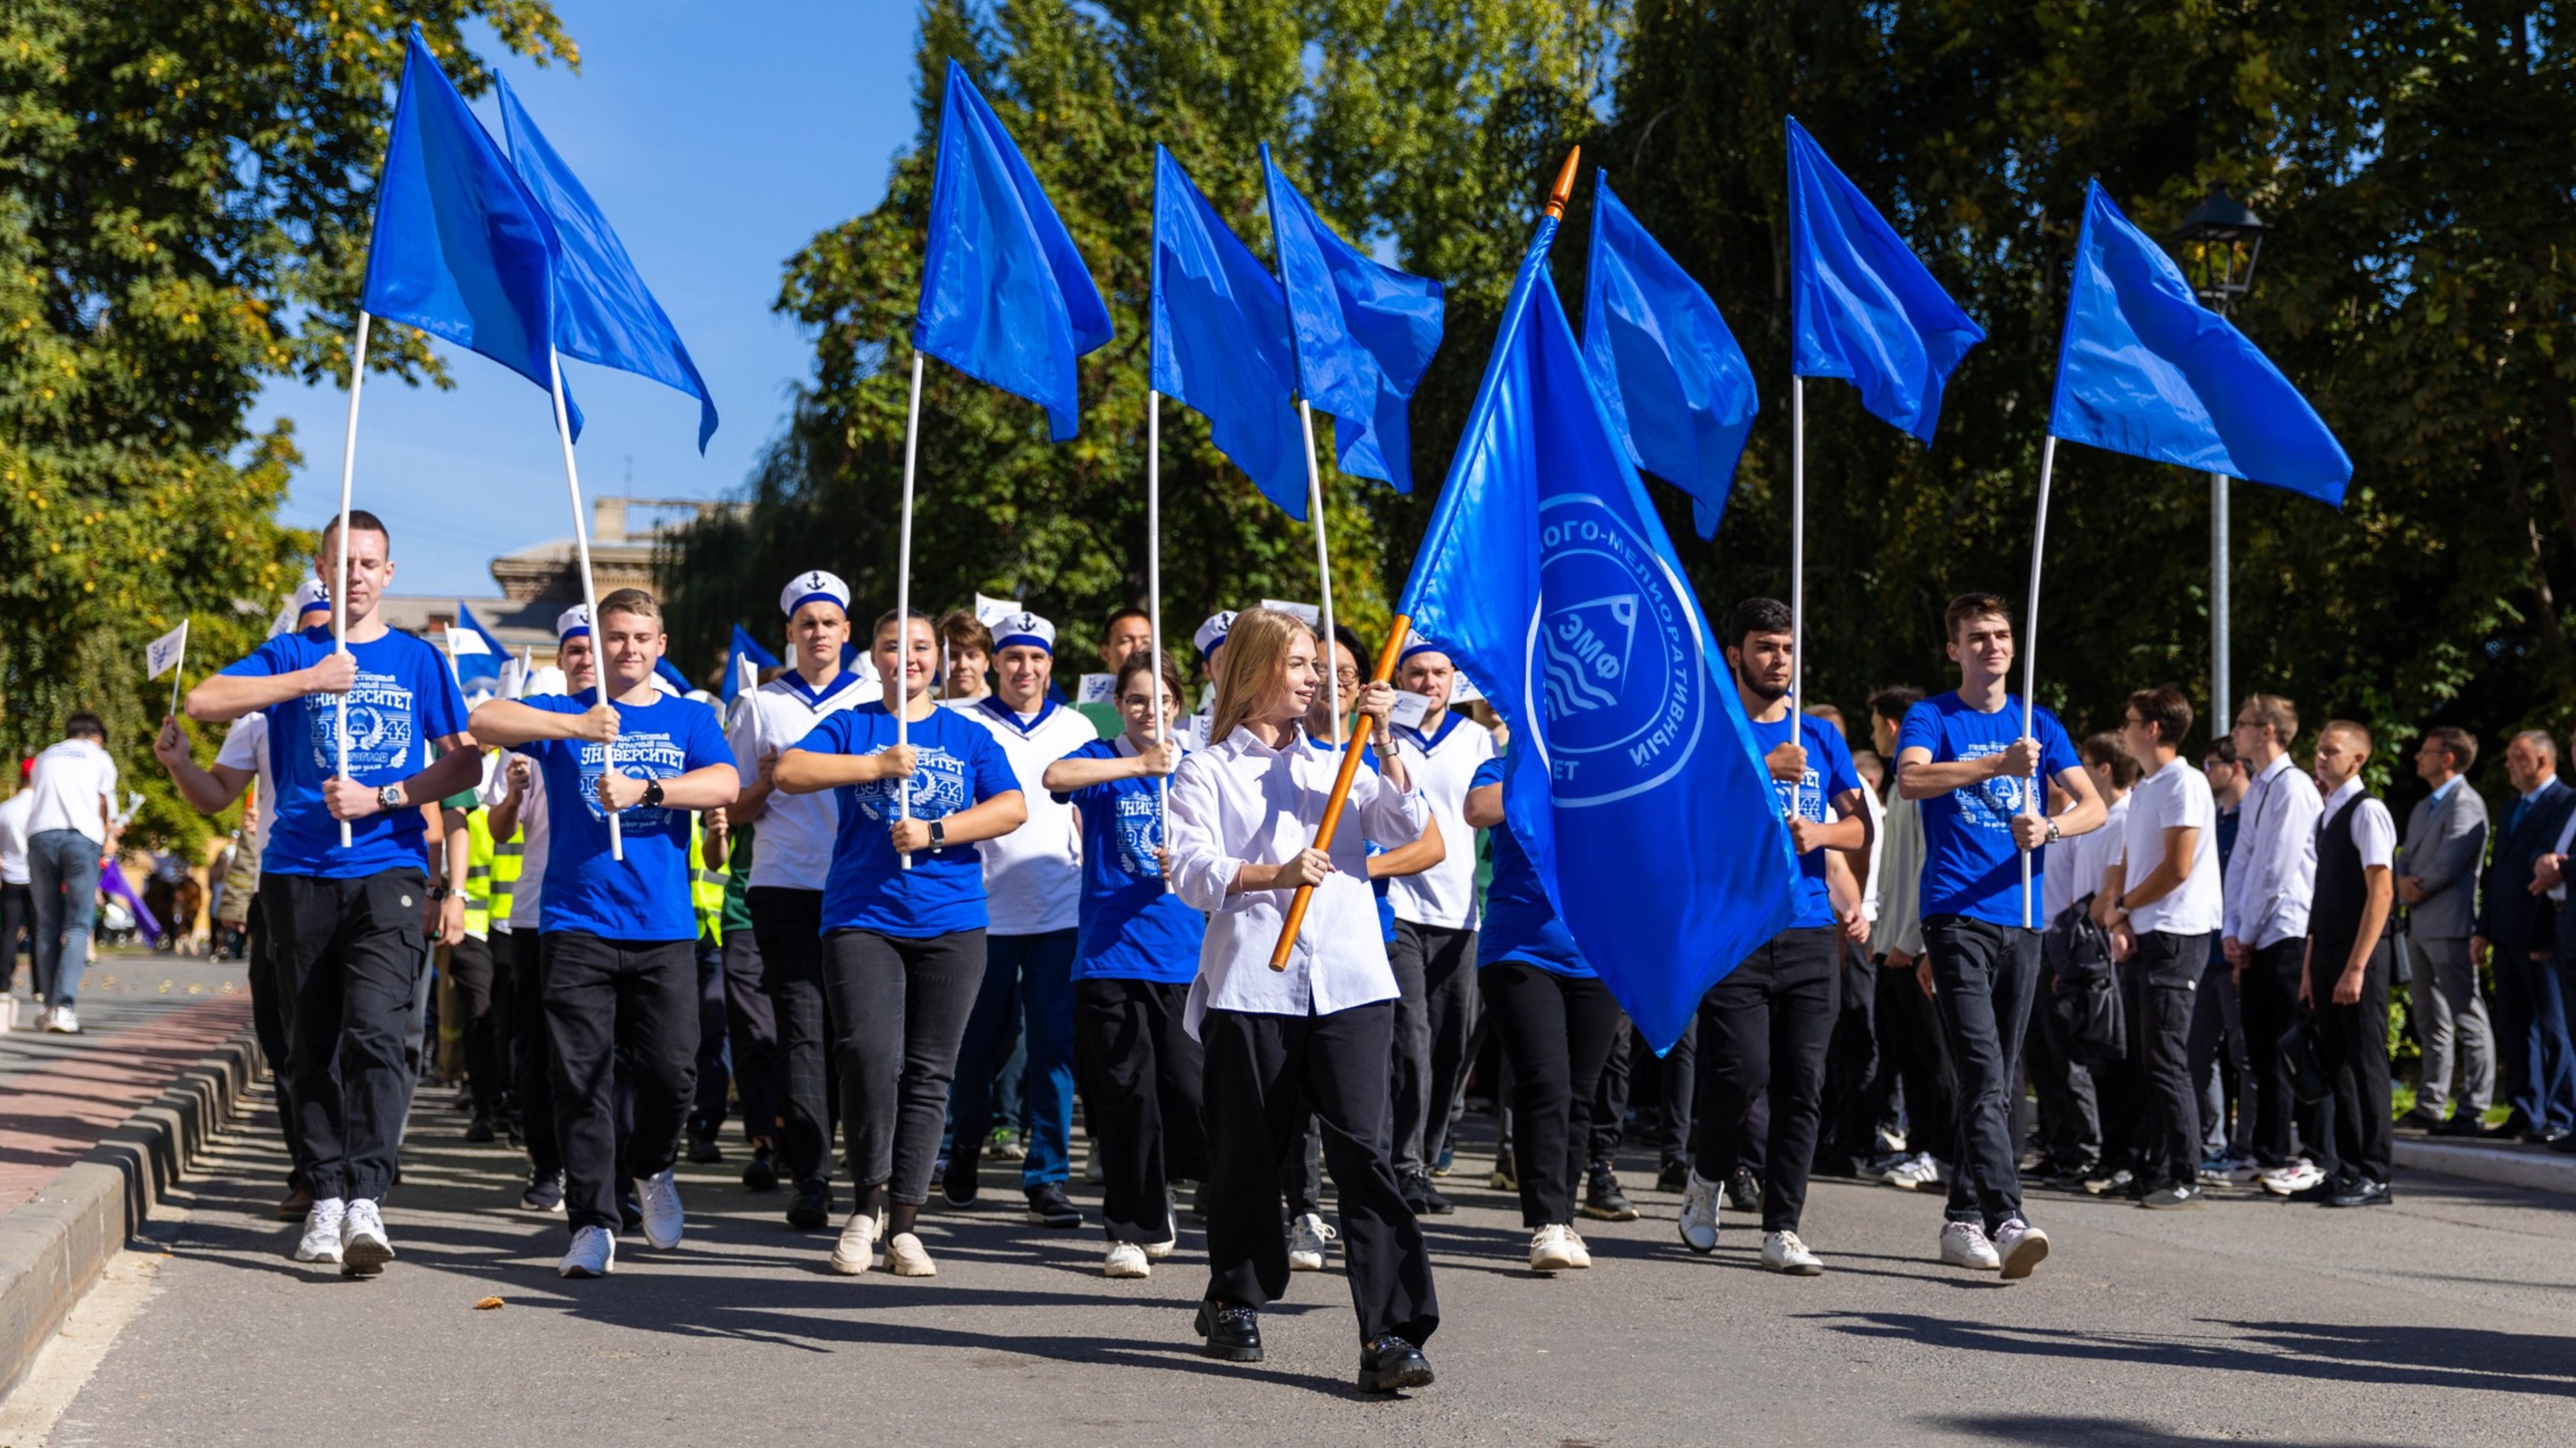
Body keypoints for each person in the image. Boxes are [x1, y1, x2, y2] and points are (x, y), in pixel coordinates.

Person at [186, 510, 479, 1275]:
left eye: (369, 562)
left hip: (387, 867)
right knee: (307, 1042)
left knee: (380, 1033)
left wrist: (387, 798)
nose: (354, 574)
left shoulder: (418, 661)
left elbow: (463, 768)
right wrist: (309, 680)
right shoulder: (291, 652)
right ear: (321, 569)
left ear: (389, 574)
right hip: (299, 873)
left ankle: (366, 1198)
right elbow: (205, 701)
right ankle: (322, 1195)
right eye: (341, 561)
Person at [1165, 607, 1438, 1392]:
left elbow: (1406, 825)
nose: (1316, 677)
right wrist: (1272, 875)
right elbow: (1189, 872)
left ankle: (1390, 1333)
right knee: (1250, 1153)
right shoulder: (1206, 768)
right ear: (1252, 672)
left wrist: (1386, 743)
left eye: (1318, 665)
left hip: (1351, 980)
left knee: (1364, 1152)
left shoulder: (1339, 760)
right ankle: (1235, 1297)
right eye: (1299, 664)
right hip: (1253, 980)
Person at [470, 588, 739, 1278]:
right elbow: (484, 718)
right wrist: (575, 731)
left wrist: (649, 791)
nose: (627, 649)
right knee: (579, 1079)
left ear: (661, 645)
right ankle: (592, 1220)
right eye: (615, 637)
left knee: (673, 1071)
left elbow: (725, 783)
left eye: (640, 637)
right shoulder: (567, 711)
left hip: (663, 924)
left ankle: (651, 1165)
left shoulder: (688, 715)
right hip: (575, 922)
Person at [775, 608, 1028, 1278]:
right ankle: (866, 1205)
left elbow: (1012, 807)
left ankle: (908, 1224)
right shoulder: (853, 722)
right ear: (875, 656)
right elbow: (791, 771)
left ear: (939, 658)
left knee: (929, 1070)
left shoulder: (965, 733)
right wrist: (874, 764)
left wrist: (938, 831)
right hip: (862, 917)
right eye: (893, 646)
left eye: (920, 647)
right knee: (867, 1056)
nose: (906, 657)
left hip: (952, 922)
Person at [1893, 593, 2104, 1279]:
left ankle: (1960, 1217)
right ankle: (2007, 1216)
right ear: (1953, 648)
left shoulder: (2038, 720)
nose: (1992, 646)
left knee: (2001, 1077)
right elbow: (1912, 779)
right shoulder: (1933, 714)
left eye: (2002, 635)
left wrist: (2050, 827)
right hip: (1955, 914)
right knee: (1983, 1069)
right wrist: (1994, 767)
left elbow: (2092, 804)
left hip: (2023, 916)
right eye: (1977, 636)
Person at [1674, 599, 1868, 1274]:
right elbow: (1693, 825)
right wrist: (1763, 774)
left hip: (1810, 926)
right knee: (1740, 1070)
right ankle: (1707, 1177)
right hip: (1738, 927)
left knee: (1802, 1082)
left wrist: (1820, 834)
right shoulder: (1714, 732)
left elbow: (1859, 827)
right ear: (1735, 655)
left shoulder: (1818, 735)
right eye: (1763, 647)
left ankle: (1781, 1226)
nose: (1778, 659)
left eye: (1786, 647)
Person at [1041, 650, 1205, 1277]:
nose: (1148, 711)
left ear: (1177, 705)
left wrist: (1188, 862)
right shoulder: (1105, 756)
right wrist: (1139, 762)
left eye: (1159, 700)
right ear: (1119, 704)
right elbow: (1054, 777)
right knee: (1122, 1093)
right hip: (1108, 951)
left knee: (1187, 1088)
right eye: (1135, 700)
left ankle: (1169, 1180)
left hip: (1182, 952)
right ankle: (1130, 1226)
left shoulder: (1195, 766)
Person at [726, 570, 873, 1228]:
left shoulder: (875, 699)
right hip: (785, 882)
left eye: (829, 622)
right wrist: (770, 782)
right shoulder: (760, 704)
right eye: (806, 624)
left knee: (860, 1034)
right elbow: (733, 806)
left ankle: (865, 1162)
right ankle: (811, 1172)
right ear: (789, 633)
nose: (818, 633)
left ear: (847, 631)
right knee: (802, 1028)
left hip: (863, 884)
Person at [948, 611, 1098, 1227]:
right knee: (977, 1046)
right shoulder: (962, 721)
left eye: (1035, 658)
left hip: (1060, 909)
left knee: (1052, 1048)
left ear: (1049, 666)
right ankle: (963, 1142)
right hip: (981, 909)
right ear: (993, 662)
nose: (1024, 668)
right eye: (1012, 656)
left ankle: (1048, 1175)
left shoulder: (1077, 725)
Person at [2096, 687, 2223, 1210]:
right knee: (2148, 1058)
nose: (2123, 730)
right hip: (2145, 928)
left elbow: (2177, 867)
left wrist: (2123, 904)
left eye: (2129, 721)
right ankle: (2151, 1167)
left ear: (2153, 729)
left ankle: (2184, 1172)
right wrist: (2118, 916)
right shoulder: (2150, 786)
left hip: (2177, 931)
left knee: (2168, 1058)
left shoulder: (2186, 783)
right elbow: (2132, 857)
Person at [1385, 638, 1497, 1216]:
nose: (1429, 682)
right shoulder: (1381, 734)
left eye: (1439, 672)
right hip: (1397, 906)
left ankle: (1425, 1160)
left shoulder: (1478, 739)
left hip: (1459, 913)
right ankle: (1402, 1165)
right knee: (1410, 1041)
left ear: (1455, 679)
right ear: (1400, 676)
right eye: (1418, 672)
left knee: (1451, 1048)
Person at [488, 626, 594, 1217]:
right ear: (562, 660)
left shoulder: (633, 724)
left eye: (590, 649)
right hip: (534, 915)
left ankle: (601, 1167)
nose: (584, 659)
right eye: (574, 650)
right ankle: (547, 1163)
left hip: (603, 917)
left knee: (597, 1051)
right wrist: (510, 794)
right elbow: (502, 830)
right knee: (537, 1050)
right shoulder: (532, 733)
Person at [2303, 721, 2398, 1206]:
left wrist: (2357, 966)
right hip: (2329, 953)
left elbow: (2381, 891)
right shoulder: (2328, 815)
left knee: (2365, 1062)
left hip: (2358, 955)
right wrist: (2311, 967)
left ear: (2357, 759)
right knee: (2337, 1062)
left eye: (2331, 751)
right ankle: (2346, 1166)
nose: (2321, 758)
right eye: (2319, 750)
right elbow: (2324, 899)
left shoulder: (2368, 811)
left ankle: (2375, 1173)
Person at [1864, 687, 1954, 1193]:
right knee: (1912, 1057)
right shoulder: (1900, 786)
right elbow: (1895, 873)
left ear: (1895, 726)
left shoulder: (1925, 785)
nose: (1873, 733)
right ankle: (1922, 1145)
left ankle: (1943, 1153)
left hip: (1917, 947)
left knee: (1935, 1056)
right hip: (1892, 943)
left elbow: (1930, 864)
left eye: (1876, 724)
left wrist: (1913, 940)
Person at [23, 712, 119, 1032]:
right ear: (97, 737)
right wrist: (109, 835)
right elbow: (104, 802)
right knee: (78, 926)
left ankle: (50, 1006)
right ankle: (65, 1007)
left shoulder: (46, 755)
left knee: (47, 924)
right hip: (81, 838)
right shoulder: (99, 756)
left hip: (40, 837)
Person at [2189, 737, 2253, 1173]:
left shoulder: (2254, 818)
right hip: (2208, 952)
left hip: (2240, 953)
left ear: (2235, 767)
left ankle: (2247, 1146)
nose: (2207, 773)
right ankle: (2212, 1141)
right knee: (2198, 1051)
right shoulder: (2216, 819)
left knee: (2245, 1055)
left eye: (2211, 765)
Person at [1, 768, 33, 1000]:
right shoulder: (42, 809)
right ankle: (42, 987)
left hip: (10, 877)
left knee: (9, 931)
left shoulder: (6, 809)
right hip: (37, 878)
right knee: (42, 932)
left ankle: (3, 982)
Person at [936, 610, 993, 706]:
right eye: (953, 656)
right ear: (937, 662)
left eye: (972, 656)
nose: (963, 665)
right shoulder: (918, 715)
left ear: (987, 662)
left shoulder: (1002, 718)